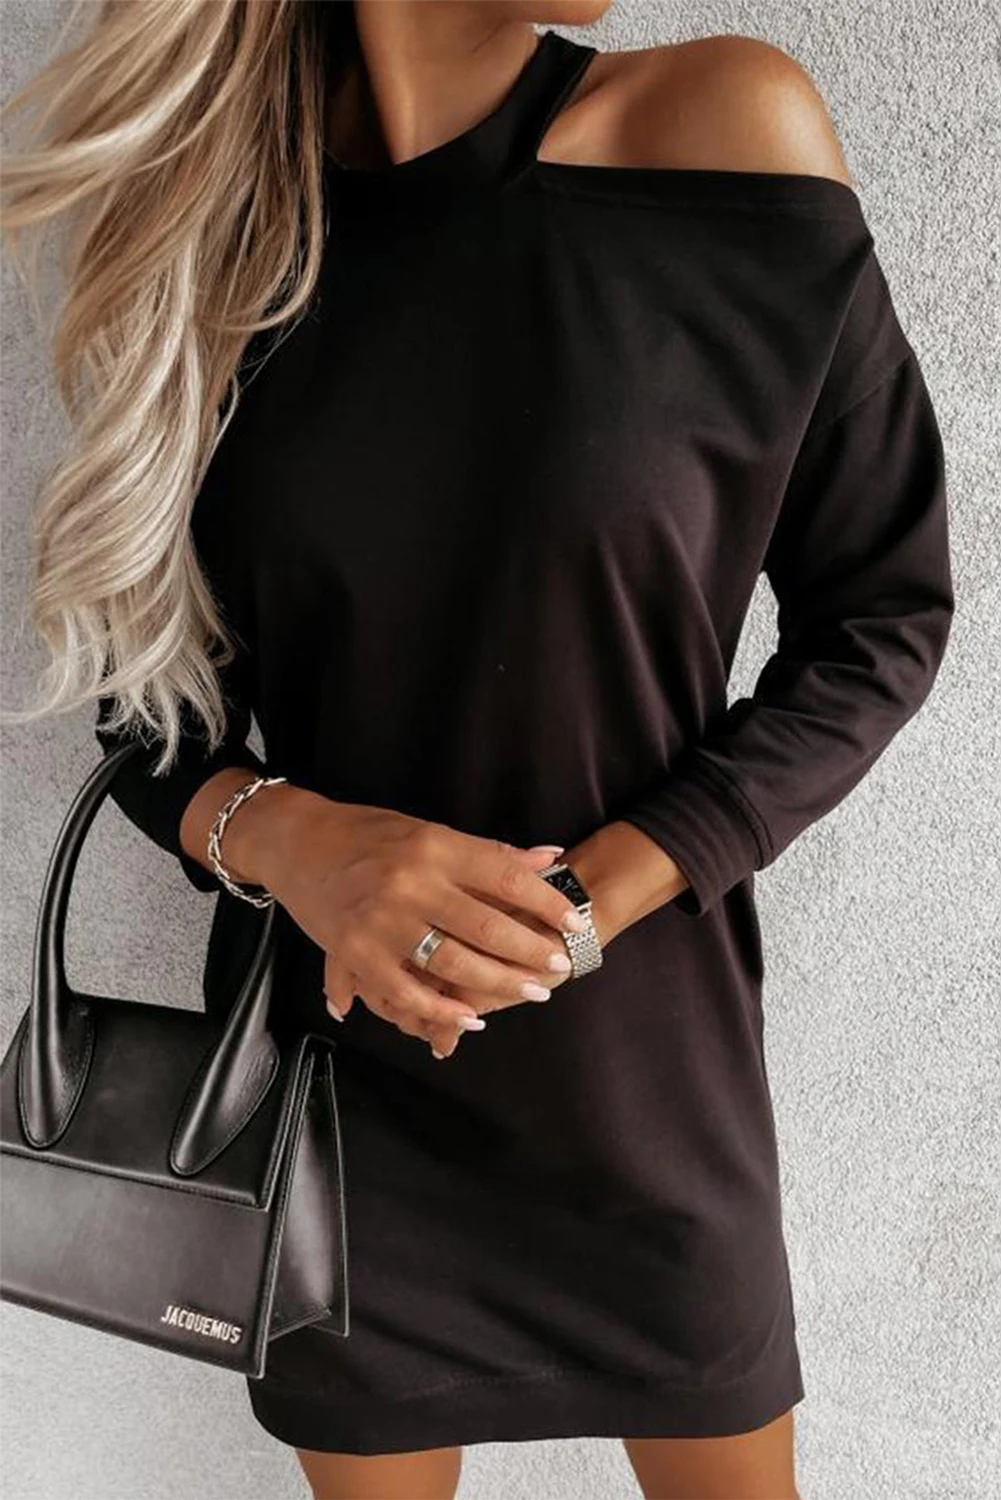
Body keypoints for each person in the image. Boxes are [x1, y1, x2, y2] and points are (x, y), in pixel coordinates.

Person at [1, 2, 954, 1497]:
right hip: (336, 1098)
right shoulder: (216, 231)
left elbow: (882, 616)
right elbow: (150, 701)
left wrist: (587, 904)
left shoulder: (723, 132)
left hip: (649, 1085)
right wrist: (300, 844)